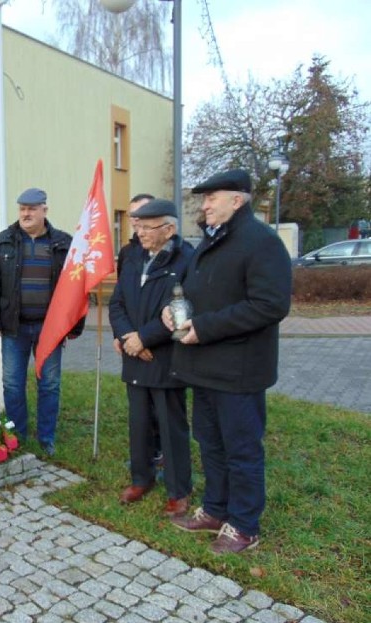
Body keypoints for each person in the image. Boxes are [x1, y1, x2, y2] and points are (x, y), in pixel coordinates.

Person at [163, 169, 292, 554]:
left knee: (241, 449)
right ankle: (217, 511)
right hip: (203, 367)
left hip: (239, 369)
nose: (204, 206)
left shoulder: (261, 242)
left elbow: (270, 305)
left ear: (237, 200)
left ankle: (245, 526)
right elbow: (185, 288)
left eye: (211, 198)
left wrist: (204, 327)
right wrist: (170, 312)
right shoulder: (211, 240)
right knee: (210, 443)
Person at [0, 187, 84, 456]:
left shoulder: (63, 242)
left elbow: (77, 285)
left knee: (49, 383)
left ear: (44, 210)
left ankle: (46, 437)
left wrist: (74, 326)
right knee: (13, 384)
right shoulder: (5, 240)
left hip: (50, 328)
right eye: (22, 209)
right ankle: (18, 434)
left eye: (32, 209)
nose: (26, 214)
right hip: (14, 327)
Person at [109, 199, 193, 515]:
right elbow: (117, 303)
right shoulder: (133, 257)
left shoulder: (187, 260)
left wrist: (144, 338)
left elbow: (181, 309)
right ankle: (141, 478)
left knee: (171, 427)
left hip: (166, 358)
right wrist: (126, 336)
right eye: (138, 225)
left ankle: (178, 489)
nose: (140, 232)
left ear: (169, 229)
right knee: (139, 422)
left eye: (147, 226)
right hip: (134, 355)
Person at [114, 193, 163, 468]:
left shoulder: (173, 254)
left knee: (160, 407)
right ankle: (143, 456)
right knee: (139, 407)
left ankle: (162, 452)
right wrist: (122, 335)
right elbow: (121, 299)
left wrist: (145, 339)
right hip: (131, 342)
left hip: (158, 344)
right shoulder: (129, 253)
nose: (136, 221)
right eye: (133, 216)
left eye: (142, 215)